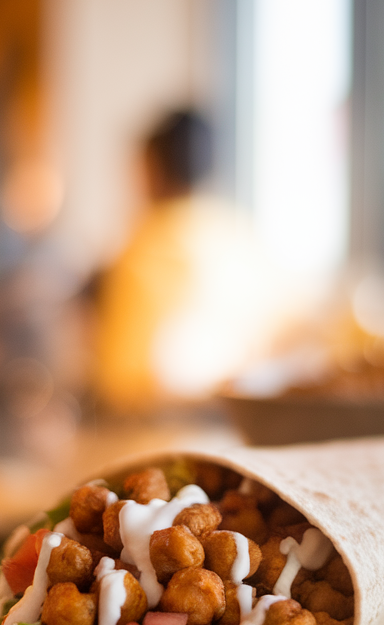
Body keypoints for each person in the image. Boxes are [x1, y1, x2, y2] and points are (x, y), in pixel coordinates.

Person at [95, 110, 277, 410]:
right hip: (235, 425)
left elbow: (119, 384)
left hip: (158, 431)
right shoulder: (240, 237)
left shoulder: (140, 251)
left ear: (153, 168)